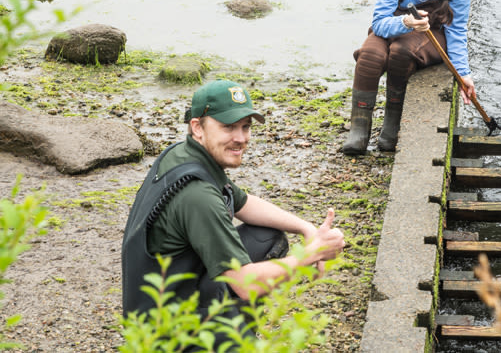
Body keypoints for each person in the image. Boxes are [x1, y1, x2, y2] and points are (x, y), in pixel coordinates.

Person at [122, 79, 345, 343]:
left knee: (267, 237)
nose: (240, 139)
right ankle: (233, 342)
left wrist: (305, 228)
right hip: (167, 334)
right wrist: (310, 254)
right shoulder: (198, 196)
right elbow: (246, 284)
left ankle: (235, 329)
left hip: (153, 306)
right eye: (228, 127)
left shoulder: (182, 154)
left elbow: (242, 202)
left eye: (245, 127)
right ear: (198, 127)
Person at [343, 0, 476, 155]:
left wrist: (463, 73)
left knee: (401, 51)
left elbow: (456, 29)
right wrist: (406, 22)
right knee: (370, 55)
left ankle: (392, 127)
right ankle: (359, 130)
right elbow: (380, 22)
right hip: (396, 24)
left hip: (431, 33)